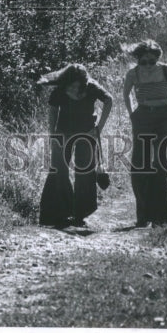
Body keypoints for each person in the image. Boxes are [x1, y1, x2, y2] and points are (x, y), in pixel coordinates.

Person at [38, 63, 112, 229]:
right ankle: (57, 214)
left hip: (87, 133)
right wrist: (53, 134)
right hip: (63, 132)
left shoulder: (92, 87)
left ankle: (80, 215)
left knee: (85, 171)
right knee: (58, 170)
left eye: (77, 86)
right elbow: (52, 111)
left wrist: (99, 128)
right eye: (70, 86)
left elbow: (109, 100)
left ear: (84, 83)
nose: (73, 89)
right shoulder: (59, 90)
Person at [122, 39, 167, 227]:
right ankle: (143, 216)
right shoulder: (133, 74)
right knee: (140, 166)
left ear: (157, 59)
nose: (148, 65)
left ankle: (161, 218)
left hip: (164, 117)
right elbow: (126, 95)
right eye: (144, 61)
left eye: (152, 61)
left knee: (160, 165)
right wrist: (132, 114)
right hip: (142, 117)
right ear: (138, 60)